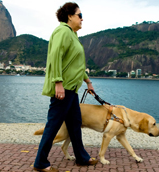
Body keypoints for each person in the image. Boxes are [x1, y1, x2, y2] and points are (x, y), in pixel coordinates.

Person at [33, 2, 98, 172]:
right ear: (70, 16)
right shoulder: (62, 31)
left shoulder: (72, 35)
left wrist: (88, 82)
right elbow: (55, 57)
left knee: (75, 123)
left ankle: (82, 158)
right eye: (80, 15)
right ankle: (40, 162)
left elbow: (77, 65)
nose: (82, 19)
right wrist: (58, 83)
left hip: (71, 89)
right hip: (63, 89)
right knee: (53, 124)